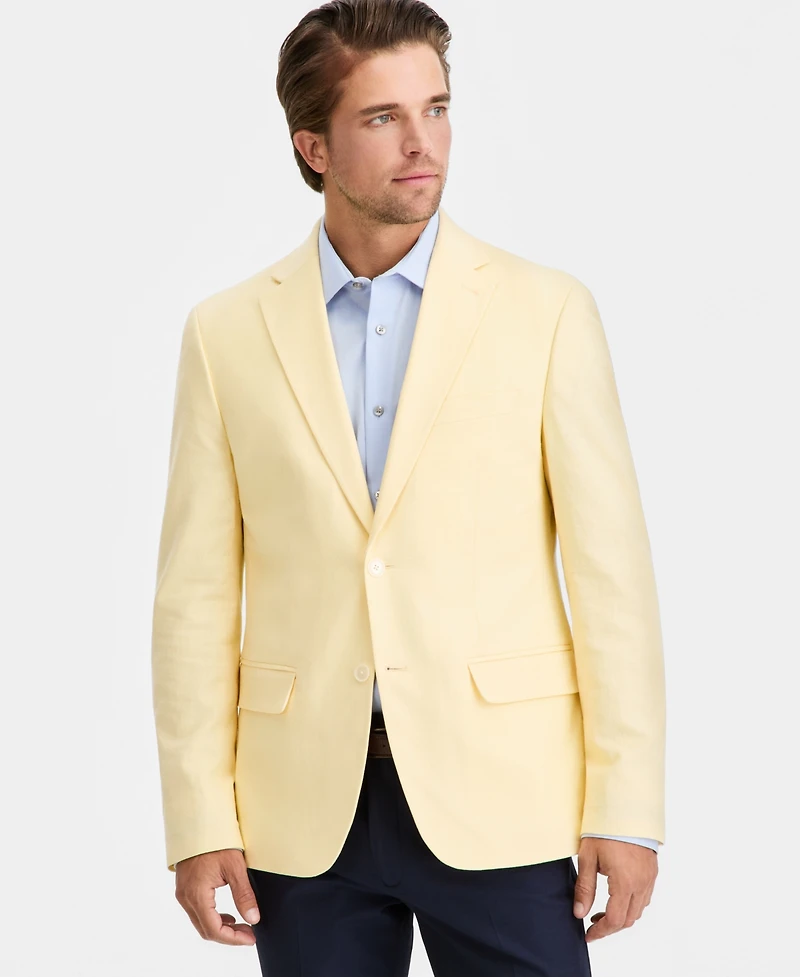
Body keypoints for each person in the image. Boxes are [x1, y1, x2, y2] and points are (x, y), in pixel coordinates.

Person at [151, 1, 666, 974]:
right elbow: (194, 597)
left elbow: (612, 580)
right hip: (302, 811)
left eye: (435, 107)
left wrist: (626, 805)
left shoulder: (545, 312)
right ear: (313, 146)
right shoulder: (225, 335)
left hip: (503, 796)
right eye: (382, 117)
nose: (422, 141)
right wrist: (198, 815)